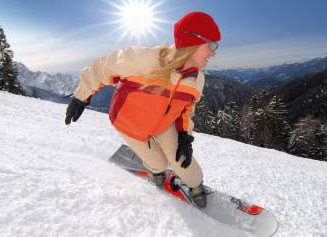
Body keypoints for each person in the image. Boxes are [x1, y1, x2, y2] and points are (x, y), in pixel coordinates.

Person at [65, 11, 221, 208]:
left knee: (185, 164)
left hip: (163, 125)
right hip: (130, 124)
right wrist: (81, 96)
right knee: (159, 164)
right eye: (212, 45)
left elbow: (186, 110)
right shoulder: (146, 60)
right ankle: (155, 171)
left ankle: (196, 185)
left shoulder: (196, 79)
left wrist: (184, 136)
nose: (214, 52)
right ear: (194, 41)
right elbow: (103, 67)